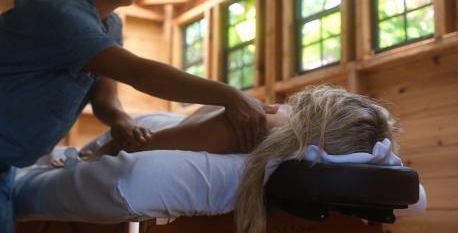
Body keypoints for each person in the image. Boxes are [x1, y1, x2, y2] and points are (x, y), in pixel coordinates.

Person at [0, 0, 275, 231]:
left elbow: (105, 99)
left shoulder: (111, 24)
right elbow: (140, 73)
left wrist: (121, 121)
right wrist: (228, 95)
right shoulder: (61, 13)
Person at [80, 85, 399, 233]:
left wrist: (85, 159)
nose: (280, 106)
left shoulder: (257, 124)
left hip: (169, 127)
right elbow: (141, 144)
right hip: (158, 124)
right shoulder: (253, 122)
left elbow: (138, 148)